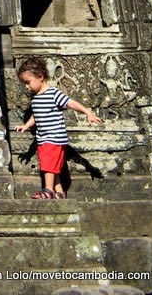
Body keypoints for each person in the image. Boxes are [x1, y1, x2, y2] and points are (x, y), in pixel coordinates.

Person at [14, 56, 102, 199]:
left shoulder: (53, 93)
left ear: (40, 76)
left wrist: (87, 112)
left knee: (48, 166)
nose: (26, 86)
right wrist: (26, 125)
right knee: (53, 167)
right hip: (43, 138)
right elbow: (36, 115)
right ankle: (59, 191)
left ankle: (47, 191)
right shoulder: (36, 98)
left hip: (54, 137)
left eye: (28, 82)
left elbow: (71, 103)